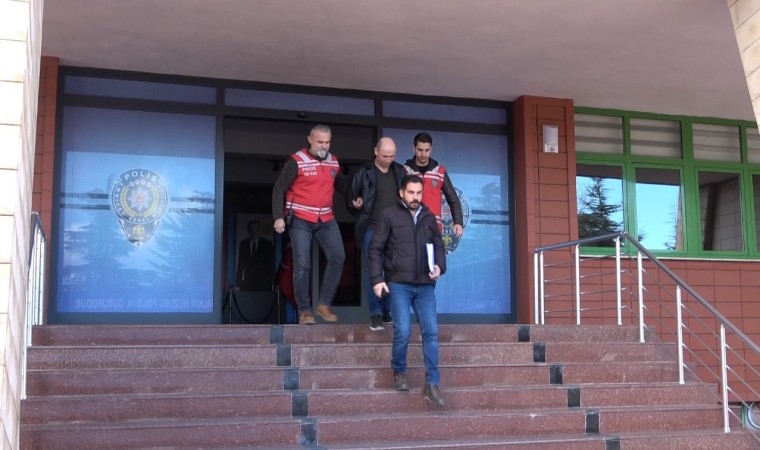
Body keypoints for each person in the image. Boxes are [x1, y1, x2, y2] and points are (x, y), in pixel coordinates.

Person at [368, 174, 447, 406]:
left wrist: (439, 266)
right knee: (402, 331)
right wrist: (377, 279)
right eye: (411, 192)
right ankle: (399, 372)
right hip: (398, 283)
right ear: (401, 192)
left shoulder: (428, 217)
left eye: (419, 193)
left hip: (425, 285)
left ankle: (432, 384)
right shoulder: (388, 215)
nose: (415, 197)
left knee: (431, 332)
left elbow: (439, 246)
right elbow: (375, 249)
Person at [272, 124, 347, 325]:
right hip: (300, 218)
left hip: (326, 218)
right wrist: (278, 216)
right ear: (310, 140)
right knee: (302, 264)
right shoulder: (297, 161)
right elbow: (279, 188)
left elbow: (342, 185)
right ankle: (304, 311)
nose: (324, 146)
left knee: (338, 256)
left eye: (327, 142)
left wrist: (355, 198)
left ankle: (324, 304)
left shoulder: (333, 161)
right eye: (320, 142)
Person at [349, 137, 407, 331]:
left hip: (395, 229)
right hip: (372, 228)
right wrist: (355, 204)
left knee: (393, 271)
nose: (388, 160)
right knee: (373, 272)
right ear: (376, 152)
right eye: (384, 156)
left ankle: (386, 309)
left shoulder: (400, 171)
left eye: (392, 156)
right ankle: (375, 314)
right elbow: (350, 197)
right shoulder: (364, 172)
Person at [403, 132, 465, 239]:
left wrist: (458, 222)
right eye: (420, 150)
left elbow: (453, 198)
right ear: (414, 148)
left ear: (431, 149)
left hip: (433, 227)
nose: (423, 154)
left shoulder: (439, 171)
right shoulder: (406, 170)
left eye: (427, 150)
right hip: (410, 226)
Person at [234, 219, 274, 291]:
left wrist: (272, 281)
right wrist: (238, 283)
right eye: (252, 229)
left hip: (263, 282)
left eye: (256, 229)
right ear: (249, 231)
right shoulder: (243, 244)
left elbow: (270, 264)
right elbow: (240, 264)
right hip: (248, 282)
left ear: (259, 230)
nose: (254, 232)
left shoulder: (267, 244)